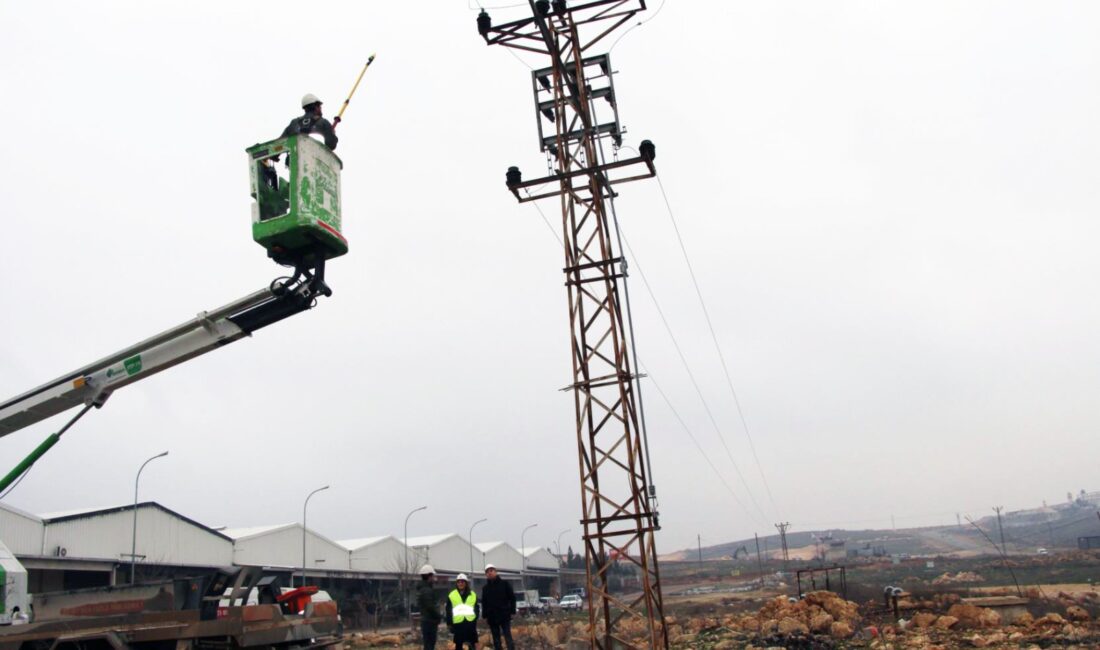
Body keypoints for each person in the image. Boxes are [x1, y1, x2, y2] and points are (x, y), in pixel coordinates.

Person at [479, 564, 516, 650]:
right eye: (487, 572)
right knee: (496, 639)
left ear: (495, 572)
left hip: (504, 615)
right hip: (492, 617)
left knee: (508, 637)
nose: (489, 573)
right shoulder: (485, 588)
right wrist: (485, 615)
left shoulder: (504, 584)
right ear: (486, 575)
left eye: (491, 571)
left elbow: (512, 598)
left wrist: (512, 611)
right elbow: (484, 602)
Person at [445, 573, 480, 650]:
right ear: (456, 583)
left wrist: (475, 617)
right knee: (459, 644)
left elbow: (476, 607)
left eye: (462, 582)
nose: (460, 584)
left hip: (470, 623)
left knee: (472, 644)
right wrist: (449, 623)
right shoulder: (452, 595)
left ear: (466, 583)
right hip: (458, 624)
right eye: (458, 582)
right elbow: (448, 610)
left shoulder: (472, 594)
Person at [416, 564, 443, 650]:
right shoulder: (426, 590)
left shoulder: (423, 589)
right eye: (433, 576)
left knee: (428, 644)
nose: (434, 578)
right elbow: (430, 607)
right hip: (429, 622)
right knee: (429, 645)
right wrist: (439, 616)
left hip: (427, 621)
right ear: (429, 576)